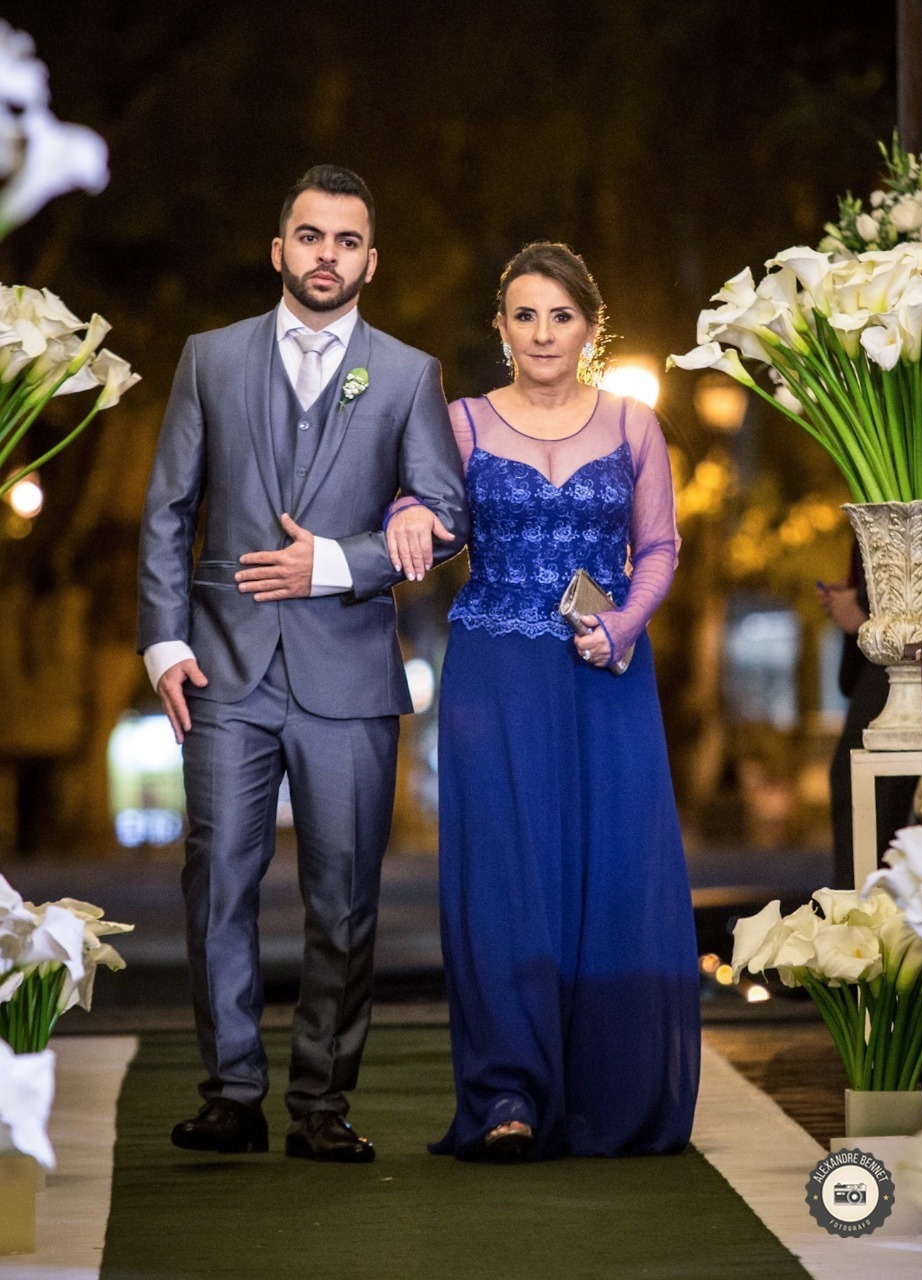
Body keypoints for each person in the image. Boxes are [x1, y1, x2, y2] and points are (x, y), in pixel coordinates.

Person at [137, 164, 468, 1162]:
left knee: (344, 897)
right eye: (310, 235)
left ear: (372, 259)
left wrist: (334, 560)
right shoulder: (210, 359)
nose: (327, 253)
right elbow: (166, 511)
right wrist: (163, 639)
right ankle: (232, 1088)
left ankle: (322, 1099)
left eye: (347, 239)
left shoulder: (406, 375)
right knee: (217, 884)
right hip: (223, 671)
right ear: (277, 248)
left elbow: (444, 516)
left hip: (349, 673)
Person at [387, 242, 700, 1160]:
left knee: (613, 867)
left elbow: (660, 547)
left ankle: (613, 1091)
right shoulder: (464, 422)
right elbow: (429, 518)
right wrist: (409, 513)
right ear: (501, 328)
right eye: (524, 315)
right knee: (506, 878)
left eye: (560, 315)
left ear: (591, 329)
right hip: (495, 673)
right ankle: (508, 1097)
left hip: (606, 670)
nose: (542, 332)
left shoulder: (635, 425)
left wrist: (628, 623)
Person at [818, 544, 916, 888]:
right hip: (889, 654)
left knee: (865, 788)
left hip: (903, 655)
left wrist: (866, 606)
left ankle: (864, 926)